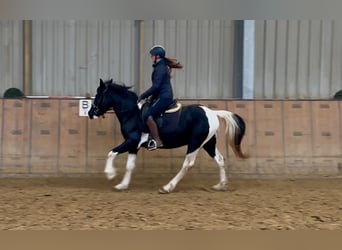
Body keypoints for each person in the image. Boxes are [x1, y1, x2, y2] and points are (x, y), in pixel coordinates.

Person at [137, 45, 183, 150]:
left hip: (164, 97)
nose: (151, 57)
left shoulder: (160, 68)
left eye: (152, 56)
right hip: (161, 95)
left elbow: (156, 86)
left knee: (148, 115)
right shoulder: (161, 66)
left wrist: (143, 96)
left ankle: (157, 140)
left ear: (157, 56)